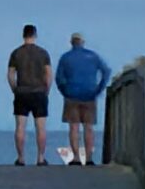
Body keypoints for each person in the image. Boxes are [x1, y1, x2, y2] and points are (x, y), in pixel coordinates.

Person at [55, 32, 112, 166]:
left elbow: (59, 79)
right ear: (82, 42)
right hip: (89, 95)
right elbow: (106, 71)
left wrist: (65, 91)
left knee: (74, 127)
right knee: (89, 127)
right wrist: (99, 88)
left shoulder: (65, 58)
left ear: (71, 42)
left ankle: (75, 158)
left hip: (72, 95)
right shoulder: (93, 56)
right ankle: (89, 158)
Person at [6, 23, 53, 164]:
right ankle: (40, 158)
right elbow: (49, 74)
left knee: (20, 127)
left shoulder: (16, 53)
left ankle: (21, 158)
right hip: (39, 92)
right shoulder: (43, 53)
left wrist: (14, 89)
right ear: (35, 35)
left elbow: (10, 75)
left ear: (23, 35)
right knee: (41, 128)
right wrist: (47, 89)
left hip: (22, 92)